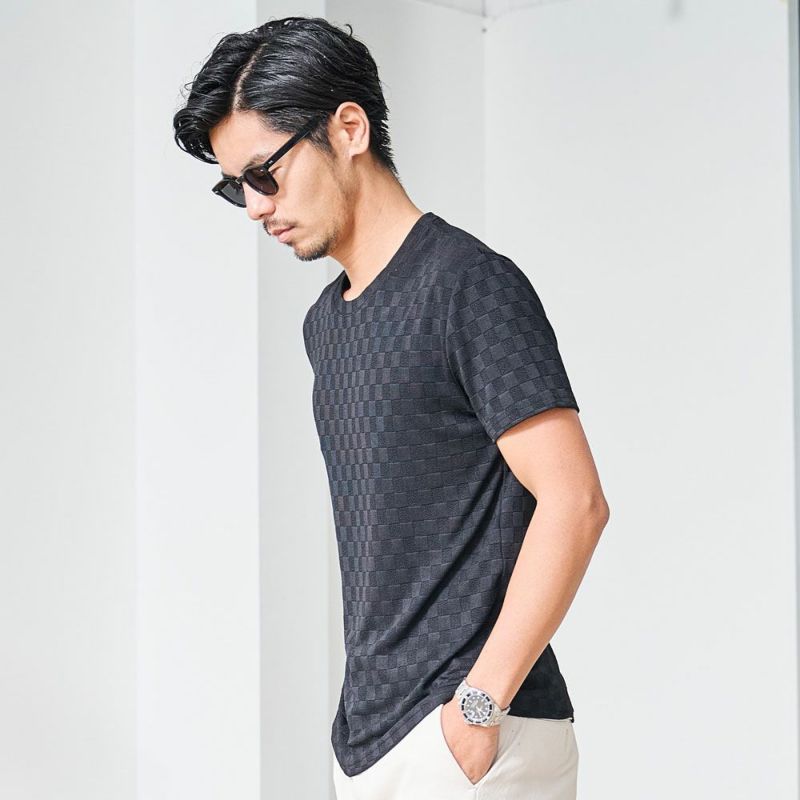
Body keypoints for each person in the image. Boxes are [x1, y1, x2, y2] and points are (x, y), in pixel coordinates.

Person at [173, 16, 609, 799]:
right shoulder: (326, 324)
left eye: (265, 174)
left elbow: (575, 501)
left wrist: (478, 709)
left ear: (348, 128)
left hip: (473, 736)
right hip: (371, 740)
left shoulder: (468, 285)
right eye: (235, 186)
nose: (254, 207)